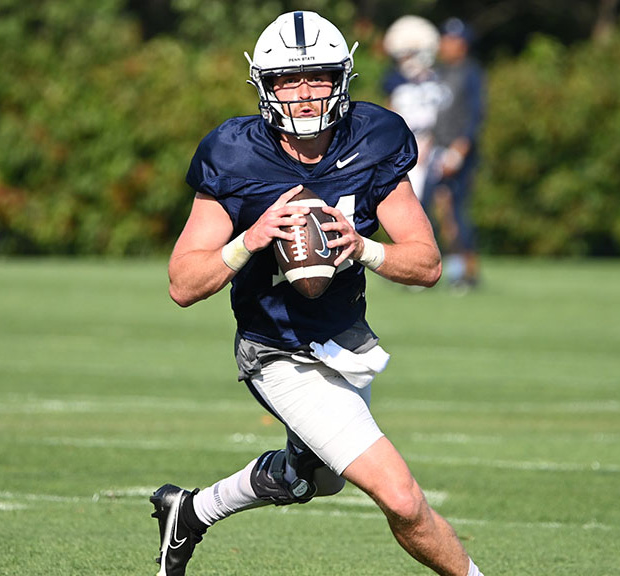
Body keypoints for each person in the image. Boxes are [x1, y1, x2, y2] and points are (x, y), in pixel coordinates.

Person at [153, 10, 485, 576]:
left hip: (343, 340)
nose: (304, 94)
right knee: (402, 498)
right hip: (277, 350)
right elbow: (183, 283)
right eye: (288, 79)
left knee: (315, 479)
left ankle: (190, 512)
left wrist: (364, 248)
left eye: (318, 78)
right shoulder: (234, 153)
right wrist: (250, 241)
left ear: (343, 80)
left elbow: (426, 262)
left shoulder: (375, 137)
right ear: (264, 84)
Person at [427, 18, 486, 291]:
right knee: (436, 210)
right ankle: (447, 269)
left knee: (457, 212)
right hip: (437, 150)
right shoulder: (438, 72)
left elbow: (475, 116)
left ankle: (467, 272)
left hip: (458, 152)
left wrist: (459, 151)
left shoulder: (470, 73)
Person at [380, 15, 446, 202]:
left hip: (433, 145)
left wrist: (432, 140)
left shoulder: (436, 81)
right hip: (408, 143)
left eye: (408, 55)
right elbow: (391, 113)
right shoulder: (396, 83)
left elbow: (442, 117)